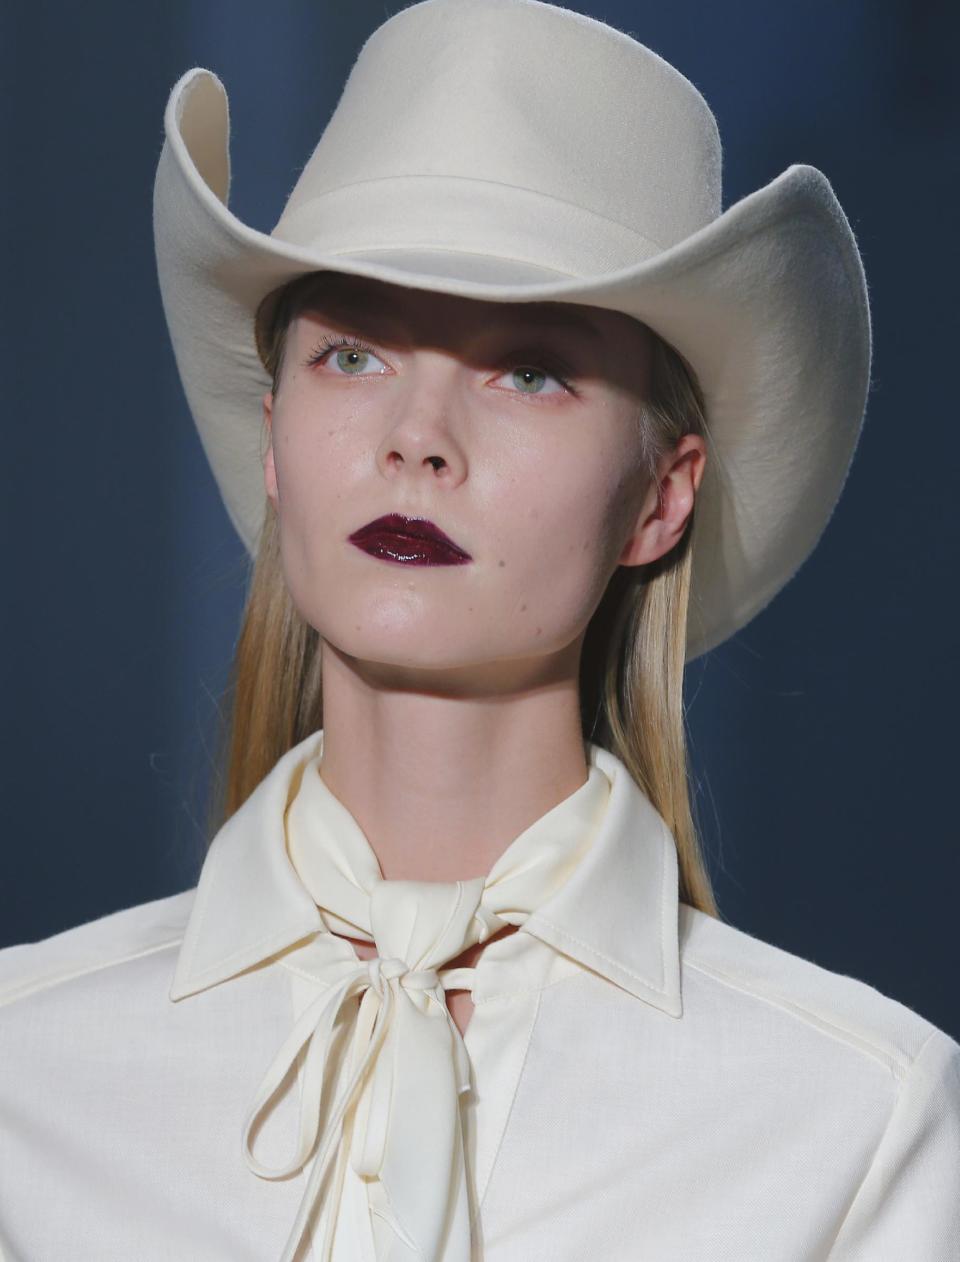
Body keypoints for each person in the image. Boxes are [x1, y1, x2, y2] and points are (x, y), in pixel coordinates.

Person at [1, 1, 957, 1259]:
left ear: (662, 497)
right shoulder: (26, 1078)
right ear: (276, 433)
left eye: (532, 368)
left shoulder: (855, 1121)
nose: (418, 434)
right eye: (350, 353)